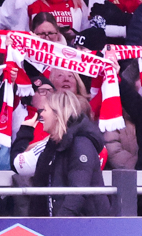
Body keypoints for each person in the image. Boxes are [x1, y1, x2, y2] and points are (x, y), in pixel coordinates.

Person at [24, 89, 107, 217]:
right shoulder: (54, 144)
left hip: (84, 228)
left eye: (45, 110)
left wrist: (59, 223)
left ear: (57, 114)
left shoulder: (81, 144)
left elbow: (78, 192)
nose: (41, 115)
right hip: (61, 225)